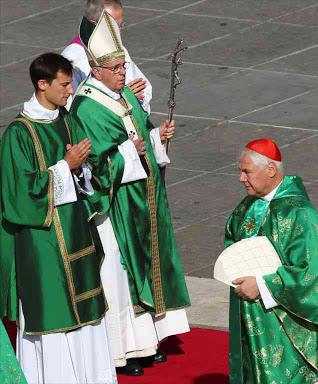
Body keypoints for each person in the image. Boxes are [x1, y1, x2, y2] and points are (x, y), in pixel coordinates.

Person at [69, 11, 190, 376]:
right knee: (120, 276)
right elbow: (96, 161)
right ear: (97, 71)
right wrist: (130, 152)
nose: (125, 73)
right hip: (114, 207)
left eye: (124, 66)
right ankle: (123, 349)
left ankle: (148, 341)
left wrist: (156, 137)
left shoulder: (122, 96)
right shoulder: (87, 105)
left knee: (148, 261)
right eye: (119, 68)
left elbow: (139, 134)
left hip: (141, 198)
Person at [0, 53, 116, 383]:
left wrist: (85, 169)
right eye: (65, 85)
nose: (71, 91)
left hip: (77, 232)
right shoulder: (18, 135)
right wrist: (66, 165)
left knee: (88, 315)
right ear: (42, 84)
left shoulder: (67, 120)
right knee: (54, 316)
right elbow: (18, 196)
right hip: (44, 243)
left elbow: (89, 167)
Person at [225, 138, 318, 383]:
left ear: (270, 170)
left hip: (291, 324)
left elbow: (314, 275)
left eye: (246, 171)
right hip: (252, 314)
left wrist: (263, 285)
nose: (241, 178)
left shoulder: (299, 214)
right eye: (240, 171)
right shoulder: (246, 207)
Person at [62, 0, 152, 113]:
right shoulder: (72, 58)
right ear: (94, 24)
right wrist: (125, 98)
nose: (118, 33)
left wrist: (135, 98)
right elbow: (73, 106)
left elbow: (143, 88)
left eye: (120, 26)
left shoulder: (118, 49)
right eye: (113, 27)